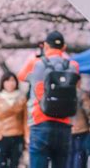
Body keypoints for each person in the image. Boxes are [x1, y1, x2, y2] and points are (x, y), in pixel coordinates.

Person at [18, 30, 79, 168]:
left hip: (40, 122)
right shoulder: (73, 66)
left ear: (45, 45)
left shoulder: (36, 63)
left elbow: (21, 76)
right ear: (64, 47)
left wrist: (37, 56)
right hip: (65, 123)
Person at [0, 71, 27, 168]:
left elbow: (25, 119)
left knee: (14, 164)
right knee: (1, 164)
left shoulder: (22, 99)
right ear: (3, 83)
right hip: (2, 136)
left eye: (12, 81)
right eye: (7, 81)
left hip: (18, 136)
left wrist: (27, 136)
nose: (10, 83)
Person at [67, 75, 90, 168]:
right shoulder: (81, 93)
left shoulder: (64, 93)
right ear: (78, 82)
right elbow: (88, 110)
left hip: (67, 128)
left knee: (69, 154)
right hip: (80, 129)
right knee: (79, 153)